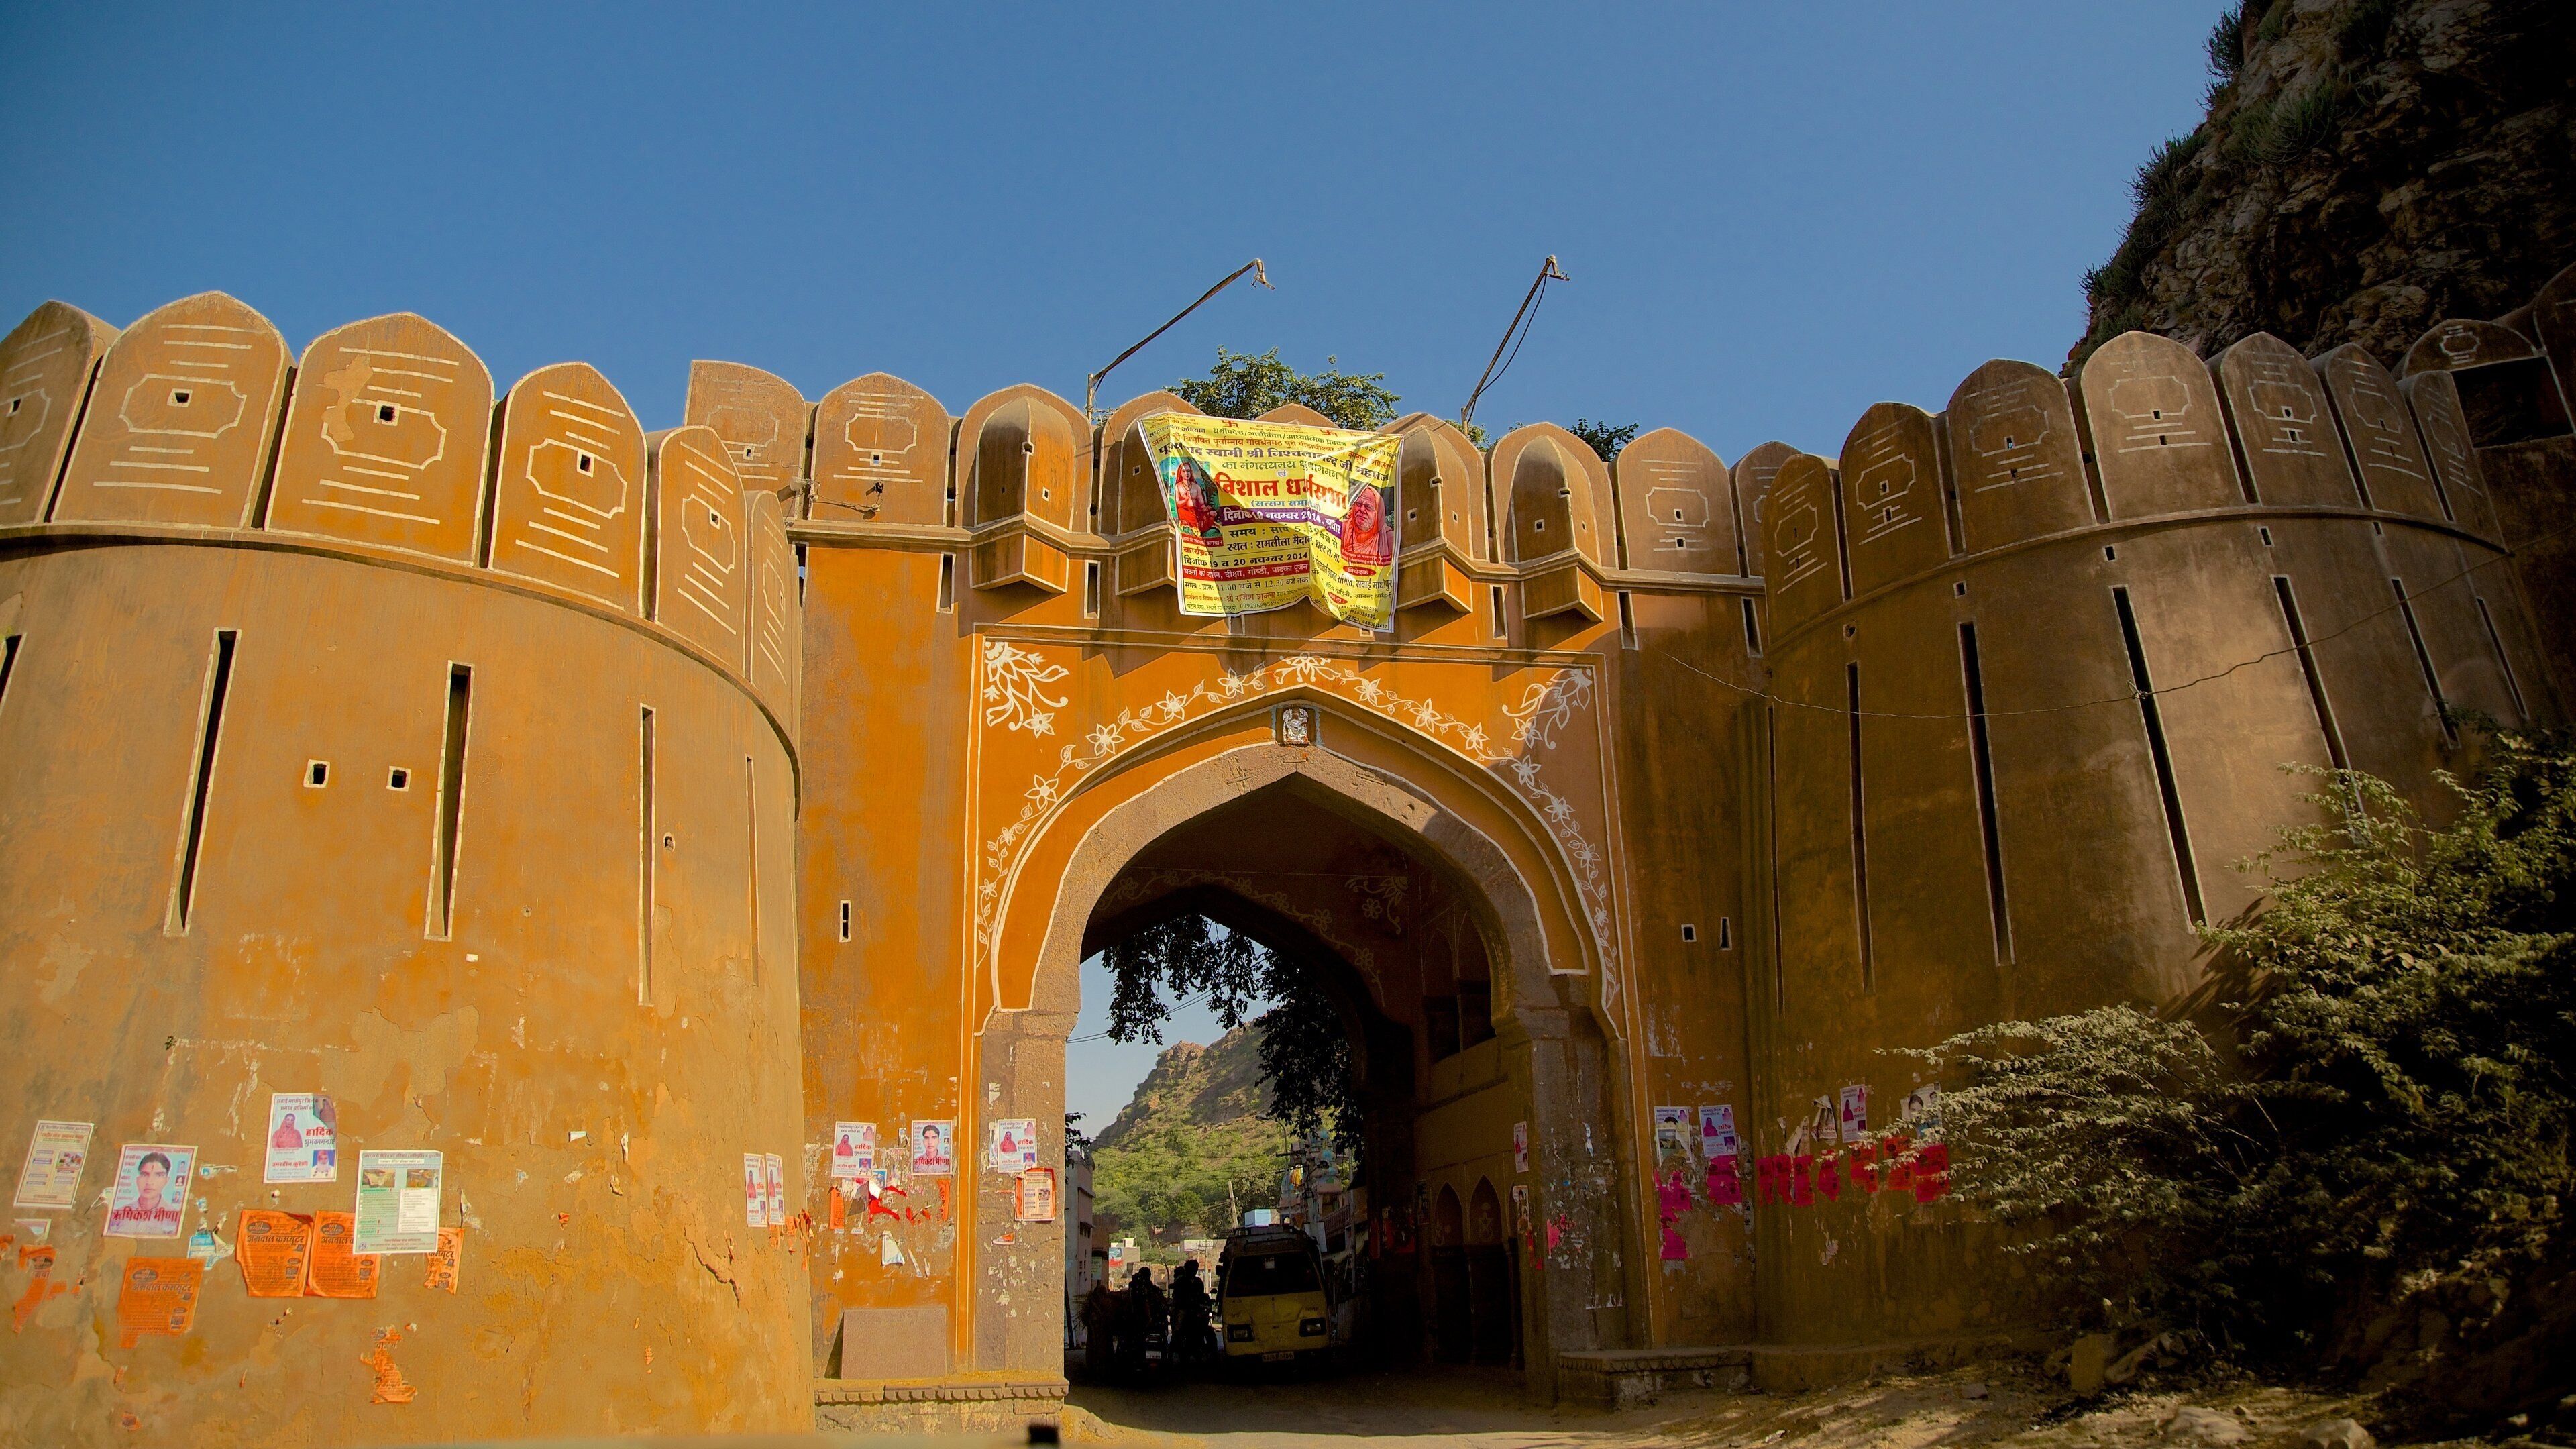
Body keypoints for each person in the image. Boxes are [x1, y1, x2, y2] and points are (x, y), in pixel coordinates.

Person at [108, 1151, 182, 1236]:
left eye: (159, 1175)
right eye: (144, 1175)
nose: (149, 1182)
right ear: (137, 1180)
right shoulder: (117, 1215)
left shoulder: (175, 1218)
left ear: (166, 1181)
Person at [1170, 1258, 1212, 1362]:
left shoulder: (1198, 1281)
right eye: (1192, 1269)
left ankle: (1210, 1352)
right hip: (1184, 1310)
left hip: (1197, 1311)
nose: (1194, 1271)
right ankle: (1172, 1353)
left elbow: (1202, 1296)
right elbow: (1176, 1297)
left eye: (1195, 1269)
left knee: (1207, 1330)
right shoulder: (1181, 1282)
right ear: (1187, 1269)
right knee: (1177, 1330)